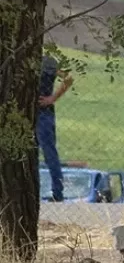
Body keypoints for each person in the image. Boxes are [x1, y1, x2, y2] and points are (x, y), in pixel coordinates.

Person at [37, 50, 74, 202]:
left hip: (42, 113)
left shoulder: (47, 61)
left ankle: (57, 193)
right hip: (25, 112)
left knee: (49, 154)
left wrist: (52, 98)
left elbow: (68, 78)